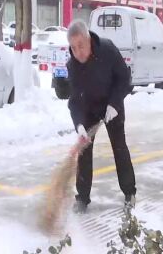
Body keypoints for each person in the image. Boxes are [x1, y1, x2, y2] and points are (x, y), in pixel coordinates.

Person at [66, 20, 136, 213]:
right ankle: (82, 198)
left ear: (89, 40)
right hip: (89, 109)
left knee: (119, 147)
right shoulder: (73, 65)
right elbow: (75, 101)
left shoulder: (107, 49)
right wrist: (80, 125)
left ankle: (130, 192)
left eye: (81, 45)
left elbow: (124, 79)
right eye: (73, 47)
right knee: (84, 152)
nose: (78, 52)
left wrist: (114, 104)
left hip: (112, 105)